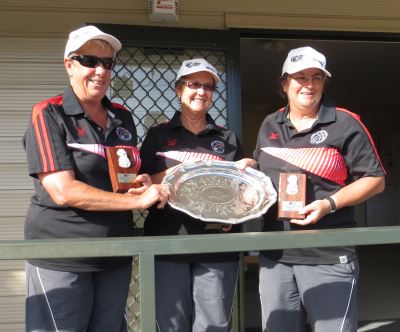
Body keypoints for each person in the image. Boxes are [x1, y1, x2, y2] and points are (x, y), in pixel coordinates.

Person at [23, 25, 169, 332]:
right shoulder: (49, 114)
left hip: (114, 254)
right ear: (69, 64)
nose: (100, 70)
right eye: (90, 60)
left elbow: (123, 176)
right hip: (62, 255)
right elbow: (63, 191)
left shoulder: (122, 115)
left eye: (108, 63)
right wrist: (139, 200)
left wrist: (139, 183)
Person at [251, 46, 386, 331]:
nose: (308, 84)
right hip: (276, 254)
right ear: (284, 83)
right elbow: (263, 173)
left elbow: (375, 180)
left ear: (324, 83)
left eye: (317, 77)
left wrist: (330, 204)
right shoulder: (269, 123)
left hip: (328, 253)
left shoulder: (345, 122)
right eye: (300, 77)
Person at [139, 58, 252, 332]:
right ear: (179, 89)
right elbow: (140, 185)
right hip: (168, 241)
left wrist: (246, 185)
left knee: (213, 325)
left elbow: (239, 191)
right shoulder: (158, 135)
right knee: (170, 325)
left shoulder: (228, 138)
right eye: (193, 84)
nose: (201, 92)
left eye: (208, 86)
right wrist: (180, 172)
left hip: (216, 244)